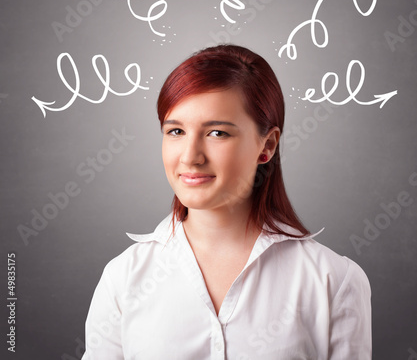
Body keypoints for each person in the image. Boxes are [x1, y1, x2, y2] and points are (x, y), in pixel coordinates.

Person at [82, 44, 372, 359]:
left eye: (218, 133)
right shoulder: (123, 278)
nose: (190, 157)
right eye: (176, 131)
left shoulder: (333, 281)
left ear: (268, 145)